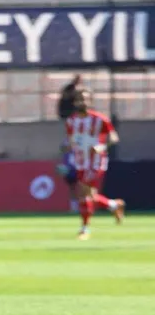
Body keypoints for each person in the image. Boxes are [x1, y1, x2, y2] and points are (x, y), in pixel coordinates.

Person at [64, 87, 125, 240]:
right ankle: (113, 205)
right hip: (80, 162)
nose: (82, 102)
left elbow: (114, 138)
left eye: (85, 99)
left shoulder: (100, 119)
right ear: (75, 102)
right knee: (89, 195)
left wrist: (101, 147)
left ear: (90, 101)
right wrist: (68, 147)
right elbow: (72, 141)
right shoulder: (71, 121)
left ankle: (85, 229)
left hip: (96, 161)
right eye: (80, 99)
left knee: (83, 192)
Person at [55, 140, 79, 212]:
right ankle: (74, 207)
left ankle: (82, 205)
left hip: (76, 172)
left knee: (79, 189)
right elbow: (65, 165)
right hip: (69, 174)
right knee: (72, 189)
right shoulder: (66, 155)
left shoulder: (75, 153)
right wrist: (62, 170)